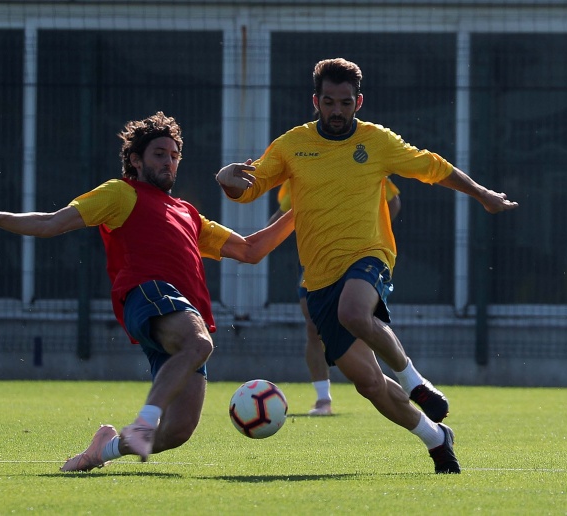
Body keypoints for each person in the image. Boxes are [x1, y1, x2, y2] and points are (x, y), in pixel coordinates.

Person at [216, 58, 518, 474]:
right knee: (370, 385)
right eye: (328, 102)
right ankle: (436, 438)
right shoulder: (291, 145)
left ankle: (414, 381)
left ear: (358, 101)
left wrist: (482, 194)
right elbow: (249, 188)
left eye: (344, 102)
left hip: (369, 255)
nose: (336, 111)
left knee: (354, 312)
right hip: (319, 278)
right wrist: (227, 179)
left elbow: (431, 166)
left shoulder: (377, 141)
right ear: (316, 101)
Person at [0, 112, 295, 472]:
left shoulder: (188, 213)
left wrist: (299, 210)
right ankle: (145, 419)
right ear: (136, 159)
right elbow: (51, 222)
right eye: (160, 154)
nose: (169, 162)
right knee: (199, 344)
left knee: (178, 431)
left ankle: (105, 449)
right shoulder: (120, 192)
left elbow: (250, 251)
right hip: (147, 295)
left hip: (181, 314)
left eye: (174, 156)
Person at [268, 179, 401, 416]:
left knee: (359, 321)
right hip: (319, 261)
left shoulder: (361, 157)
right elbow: (284, 213)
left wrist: (374, 235)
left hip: (360, 257)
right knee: (312, 326)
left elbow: (393, 201)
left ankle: (404, 381)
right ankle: (323, 399)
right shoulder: (300, 164)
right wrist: (257, 244)